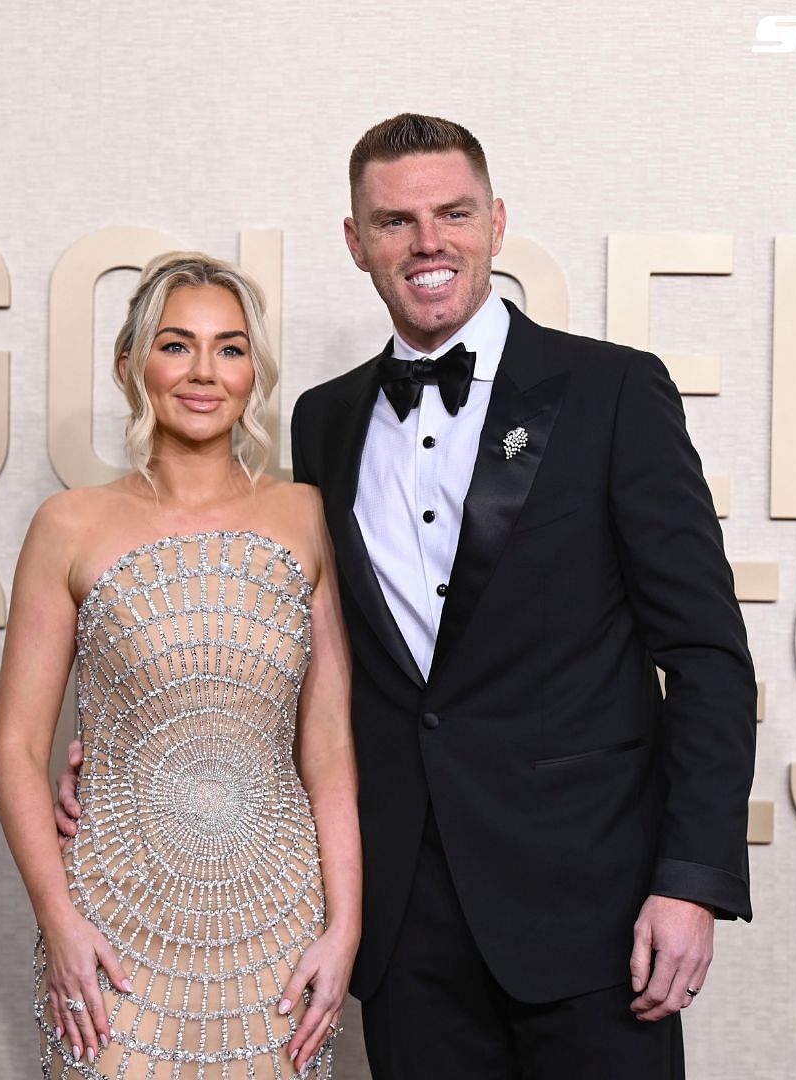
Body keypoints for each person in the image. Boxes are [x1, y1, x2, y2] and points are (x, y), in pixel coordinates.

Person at [57, 116, 756, 1078]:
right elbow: (301, 654)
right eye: (394, 222)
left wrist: (692, 883)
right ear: (357, 243)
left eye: (452, 213)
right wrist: (140, 746)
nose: (427, 243)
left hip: (593, 915)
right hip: (404, 929)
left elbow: (709, 656)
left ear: (497, 222)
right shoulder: (326, 419)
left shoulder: (614, 392)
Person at [0, 253, 360, 1077]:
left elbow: (331, 748)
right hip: (112, 916)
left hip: (279, 918)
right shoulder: (68, 525)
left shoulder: (305, 515)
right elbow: (19, 749)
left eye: (230, 349)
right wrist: (59, 922)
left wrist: (345, 930)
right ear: (130, 364)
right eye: (177, 346)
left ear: (254, 372)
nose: (205, 373)